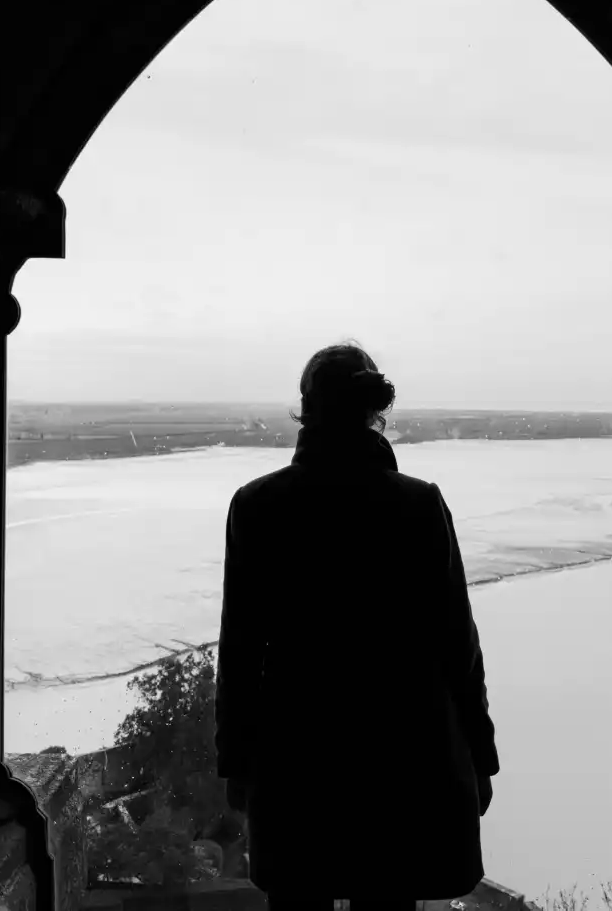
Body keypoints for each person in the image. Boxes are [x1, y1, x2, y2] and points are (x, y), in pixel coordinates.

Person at [214, 341, 500, 911]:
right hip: (398, 759)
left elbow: (241, 653)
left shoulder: (257, 505)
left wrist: (237, 763)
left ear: (306, 408)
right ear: (374, 412)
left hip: (296, 758)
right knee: (389, 895)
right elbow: (457, 645)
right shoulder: (419, 505)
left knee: (298, 895)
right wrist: (480, 755)